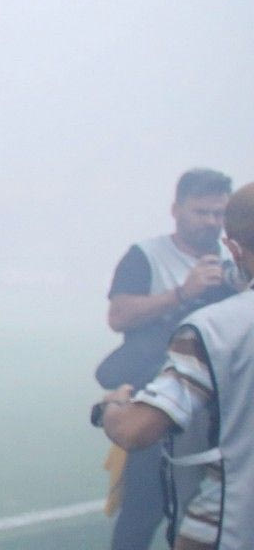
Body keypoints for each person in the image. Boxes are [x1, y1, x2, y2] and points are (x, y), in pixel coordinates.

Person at [94, 182, 254, 550]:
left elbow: (135, 430)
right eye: (202, 211)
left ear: (233, 247)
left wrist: (110, 407)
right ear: (176, 209)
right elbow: (118, 316)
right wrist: (182, 293)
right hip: (177, 410)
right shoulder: (145, 256)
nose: (210, 221)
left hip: (230, 517)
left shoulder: (213, 326)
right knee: (141, 509)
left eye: (218, 214)